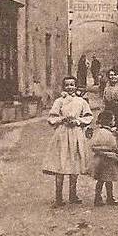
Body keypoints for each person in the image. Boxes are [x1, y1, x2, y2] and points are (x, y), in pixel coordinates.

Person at [41, 75, 93, 206]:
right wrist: (62, 119)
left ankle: (72, 194)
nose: (70, 87)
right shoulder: (59, 101)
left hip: (75, 134)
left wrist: (78, 121)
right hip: (62, 134)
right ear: (63, 87)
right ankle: (58, 197)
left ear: (76, 86)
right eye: (67, 85)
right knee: (61, 164)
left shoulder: (81, 101)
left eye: (72, 85)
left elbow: (88, 116)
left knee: (74, 164)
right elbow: (52, 117)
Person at [87, 110, 118, 206]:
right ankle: (98, 198)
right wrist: (109, 150)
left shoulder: (109, 132)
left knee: (109, 180)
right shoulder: (102, 133)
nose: (114, 122)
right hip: (102, 160)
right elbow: (94, 147)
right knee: (101, 180)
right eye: (113, 120)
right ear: (109, 121)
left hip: (109, 160)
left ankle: (110, 197)